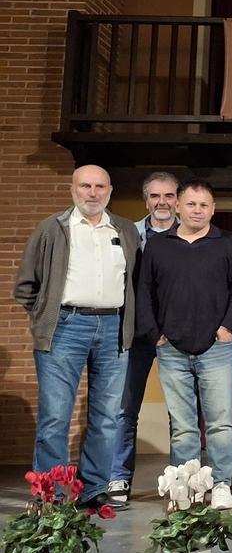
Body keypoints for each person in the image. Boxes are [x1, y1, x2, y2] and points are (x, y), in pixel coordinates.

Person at [14, 165, 139, 511]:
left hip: (113, 327)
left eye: (100, 186)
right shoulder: (52, 228)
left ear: (110, 191)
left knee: (106, 415)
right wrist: (46, 316)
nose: (93, 193)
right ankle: (49, 492)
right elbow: (26, 286)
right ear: (73, 190)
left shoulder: (125, 230)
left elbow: (135, 283)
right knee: (56, 414)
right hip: (65, 327)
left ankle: (94, 489)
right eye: (85, 186)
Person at [137, 179, 232, 509]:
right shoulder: (158, 246)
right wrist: (154, 333)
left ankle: (221, 485)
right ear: (178, 207)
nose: (197, 210)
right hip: (171, 349)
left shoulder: (228, 243)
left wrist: (228, 327)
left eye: (204, 205)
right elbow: (144, 292)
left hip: (217, 348)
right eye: (191, 204)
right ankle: (184, 487)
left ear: (212, 209)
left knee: (219, 423)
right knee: (183, 428)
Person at [107, 171, 179, 504]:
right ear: (145, 199)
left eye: (168, 195)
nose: (162, 202)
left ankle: (182, 480)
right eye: (155, 196)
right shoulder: (128, 234)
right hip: (135, 334)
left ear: (177, 199)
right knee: (125, 409)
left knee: (181, 413)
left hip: (177, 336)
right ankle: (118, 479)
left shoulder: (190, 234)